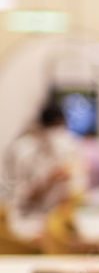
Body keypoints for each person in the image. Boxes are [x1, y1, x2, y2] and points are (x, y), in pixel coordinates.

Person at [3, 102, 87, 241]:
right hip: (28, 219)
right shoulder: (25, 151)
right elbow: (22, 200)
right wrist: (50, 180)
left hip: (53, 215)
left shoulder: (62, 147)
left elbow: (74, 190)